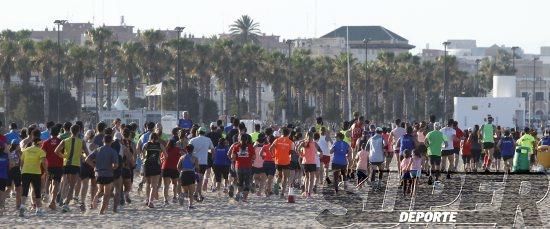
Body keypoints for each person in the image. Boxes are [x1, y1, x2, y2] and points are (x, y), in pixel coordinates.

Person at [55, 124, 89, 212]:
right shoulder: (81, 142)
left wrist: (64, 156)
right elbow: (87, 154)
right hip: (75, 165)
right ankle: (66, 204)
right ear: (79, 131)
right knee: (72, 186)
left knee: (67, 183)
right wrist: (82, 156)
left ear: (70, 131)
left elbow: (56, 151)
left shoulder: (65, 140)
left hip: (66, 164)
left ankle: (63, 200)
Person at [85, 134, 119, 215]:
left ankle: (94, 201)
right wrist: (113, 167)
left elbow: (87, 159)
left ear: (103, 141)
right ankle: (101, 211)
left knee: (100, 191)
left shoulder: (98, 150)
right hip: (108, 174)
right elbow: (115, 165)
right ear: (111, 142)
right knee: (106, 194)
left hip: (98, 173)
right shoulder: (113, 151)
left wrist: (94, 166)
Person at [20, 130, 47, 216]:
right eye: (41, 143)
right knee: (37, 191)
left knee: (25, 191)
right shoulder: (41, 151)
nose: (42, 145)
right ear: (39, 144)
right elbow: (43, 162)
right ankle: (38, 210)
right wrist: (46, 171)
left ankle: (22, 207)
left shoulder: (26, 150)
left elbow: (21, 162)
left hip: (25, 172)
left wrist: (22, 170)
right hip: (35, 173)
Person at [189, 127, 214, 202]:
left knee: (197, 179)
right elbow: (213, 150)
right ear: (205, 132)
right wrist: (212, 157)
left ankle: (199, 194)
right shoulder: (208, 140)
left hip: (193, 161)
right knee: (200, 179)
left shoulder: (192, 140)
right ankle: (196, 194)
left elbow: (188, 150)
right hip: (203, 162)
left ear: (198, 132)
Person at [41, 125, 63, 210]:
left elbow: (42, 155)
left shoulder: (46, 142)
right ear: (58, 133)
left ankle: (46, 195)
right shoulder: (61, 141)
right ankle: (53, 201)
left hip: (49, 165)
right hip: (58, 165)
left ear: (50, 133)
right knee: (56, 183)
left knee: (48, 181)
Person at [142, 132, 165, 208]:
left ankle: (147, 199)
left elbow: (142, 155)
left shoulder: (146, 145)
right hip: (156, 165)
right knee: (154, 185)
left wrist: (144, 158)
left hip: (147, 165)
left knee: (148, 184)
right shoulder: (160, 145)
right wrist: (161, 159)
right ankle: (151, 202)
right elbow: (166, 155)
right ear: (157, 138)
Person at [230, 134, 255, 202]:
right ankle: (244, 198)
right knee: (247, 183)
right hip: (248, 167)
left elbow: (233, 157)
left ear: (239, 139)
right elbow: (254, 157)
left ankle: (238, 193)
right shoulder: (250, 147)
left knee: (239, 182)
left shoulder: (236, 147)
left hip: (239, 167)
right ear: (247, 140)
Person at [270, 127, 294, 197]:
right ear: (288, 134)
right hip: (286, 161)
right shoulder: (290, 142)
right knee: (285, 177)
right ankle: (282, 193)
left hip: (278, 161)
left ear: (282, 133)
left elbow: (270, 148)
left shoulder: (277, 140)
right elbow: (291, 152)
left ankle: (277, 184)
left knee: (279, 176)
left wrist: (273, 156)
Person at [299, 132, 320, 198]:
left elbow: (297, 149)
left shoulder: (304, 143)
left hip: (305, 162)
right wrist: (319, 154)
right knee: (311, 178)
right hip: (312, 163)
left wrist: (301, 155)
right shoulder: (314, 143)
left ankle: (306, 192)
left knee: (307, 178)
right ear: (312, 136)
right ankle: (309, 193)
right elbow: (318, 151)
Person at [177, 144, 199, 210]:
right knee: (191, 192)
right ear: (193, 150)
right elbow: (197, 168)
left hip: (183, 173)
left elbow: (178, 167)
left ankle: (182, 195)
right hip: (191, 173)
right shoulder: (195, 158)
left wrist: (181, 171)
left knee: (185, 190)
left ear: (186, 150)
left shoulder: (182, 157)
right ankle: (190, 205)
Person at [161, 139, 181, 205]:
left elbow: (162, 159)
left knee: (165, 185)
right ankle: (174, 197)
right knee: (174, 184)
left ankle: (165, 200)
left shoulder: (165, 149)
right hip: (175, 168)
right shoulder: (178, 150)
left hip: (165, 167)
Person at [120, 128, 136, 204]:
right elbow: (134, 155)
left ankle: (122, 196)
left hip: (120, 166)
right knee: (128, 183)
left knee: (120, 182)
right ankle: (126, 194)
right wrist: (133, 164)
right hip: (128, 166)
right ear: (129, 134)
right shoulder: (131, 143)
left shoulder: (119, 142)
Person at [0, 144, 9, 216]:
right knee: (2, 191)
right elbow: (9, 166)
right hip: (4, 176)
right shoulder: (6, 156)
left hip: (3, 175)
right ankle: (2, 206)